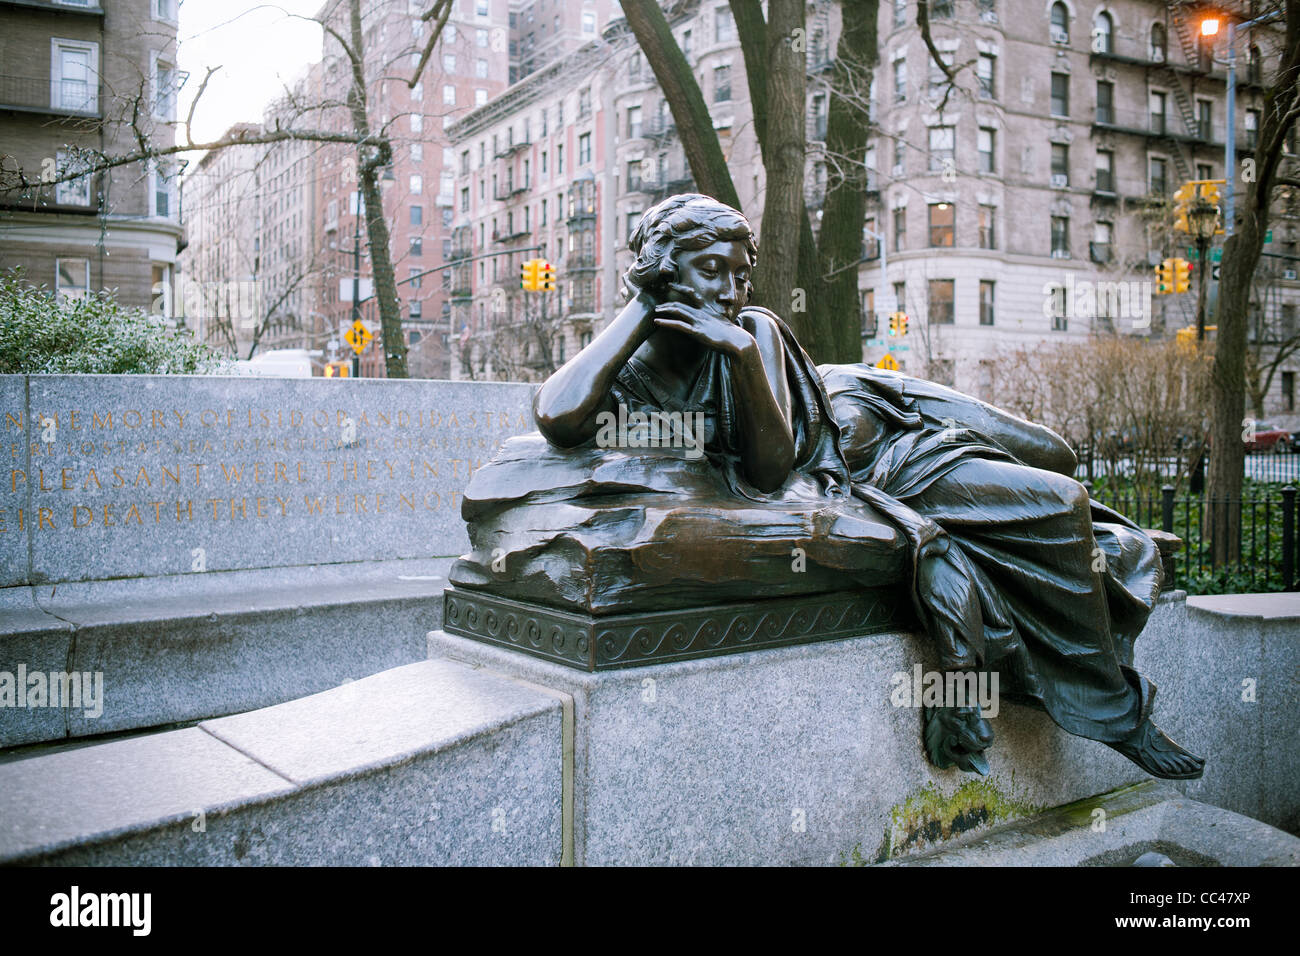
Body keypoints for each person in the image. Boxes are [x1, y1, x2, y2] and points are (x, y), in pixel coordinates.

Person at [533, 193, 1204, 780]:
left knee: (1055, 453)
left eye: (742, 275)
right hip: (876, 466)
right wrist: (644, 308)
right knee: (1062, 501)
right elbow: (562, 417)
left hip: (870, 409)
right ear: (660, 273)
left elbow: (770, 458)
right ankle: (1117, 711)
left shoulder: (755, 330)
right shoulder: (644, 362)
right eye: (710, 272)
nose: (732, 294)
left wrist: (739, 348)